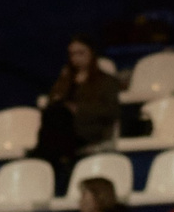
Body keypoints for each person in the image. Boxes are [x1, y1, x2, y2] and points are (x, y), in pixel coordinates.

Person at [38, 36, 129, 169]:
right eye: (72, 54)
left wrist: (78, 109)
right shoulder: (65, 80)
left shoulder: (106, 81)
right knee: (55, 115)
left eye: (80, 53)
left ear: (91, 53)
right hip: (62, 128)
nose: (76, 58)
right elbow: (52, 101)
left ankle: (49, 161)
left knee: (57, 121)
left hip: (89, 130)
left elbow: (112, 111)